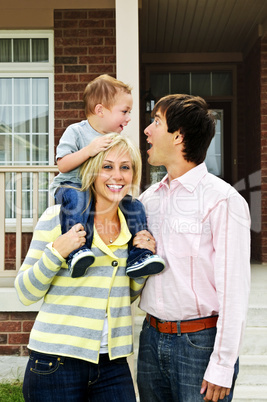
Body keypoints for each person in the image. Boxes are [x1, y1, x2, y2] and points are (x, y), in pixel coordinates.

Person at [15, 133, 156, 402]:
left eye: (125, 167)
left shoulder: (133, 225)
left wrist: (142, 269)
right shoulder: (57, 218)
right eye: (107, 166)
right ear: (92, 170)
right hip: (56, 361)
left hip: (112, 363)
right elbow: (25, 292)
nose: (117, 176)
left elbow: (123, 296)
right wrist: (57, 252)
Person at [136, 94, 251, 402]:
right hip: (150, 339)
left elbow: (234, 292)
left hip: (199, 346)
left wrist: (223, 366)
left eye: (156, 122)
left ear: (179, 136)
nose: (147, 130)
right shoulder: (148, 200)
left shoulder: (223, 201)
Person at [50, 74, 165, 279]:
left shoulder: (115, 140)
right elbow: (63, 164)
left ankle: (139, 255)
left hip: (99, 193)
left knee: (135, 205)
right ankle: (77, 251)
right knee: (79, 199)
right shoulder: (76, 131)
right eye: (124, 111)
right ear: (100, 110)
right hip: (71, 187)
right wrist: (89, 150)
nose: (129, 117)